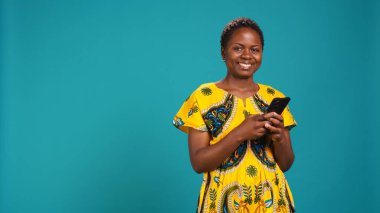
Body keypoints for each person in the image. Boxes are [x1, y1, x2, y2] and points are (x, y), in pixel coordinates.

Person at [173, 17, 297, 213]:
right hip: (221, 202)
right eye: (238, 48)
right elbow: (198, 163)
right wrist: (239, 134)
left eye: (254, 49)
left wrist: (280, 137)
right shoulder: (203, 97)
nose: (247, 55)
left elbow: (286, 163)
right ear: (223, 52)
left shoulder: (273, 96)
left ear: (262, 53)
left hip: (271, 202)